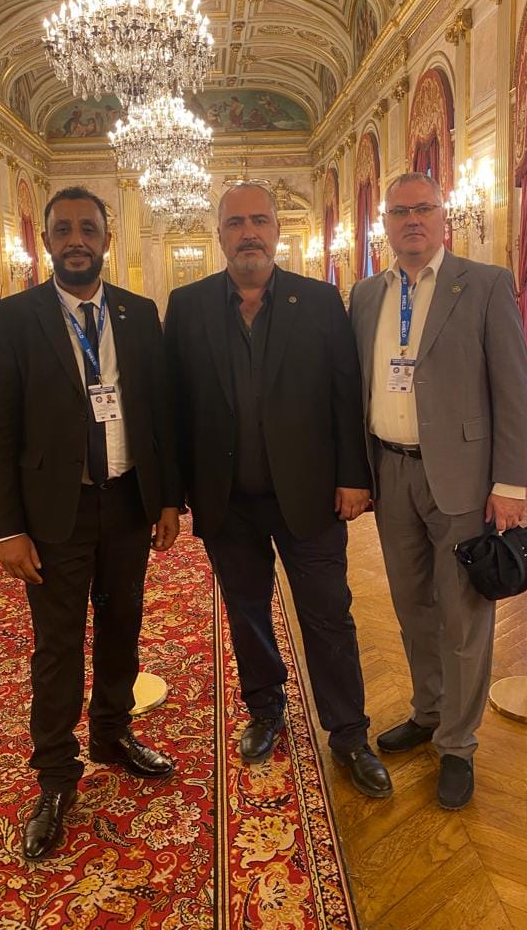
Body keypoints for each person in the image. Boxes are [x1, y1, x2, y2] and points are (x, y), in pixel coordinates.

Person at [164, 181, 392, 799]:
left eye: (259, 221)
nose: (249, 233)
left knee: (328, 615)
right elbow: (173, 406)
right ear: (219, 234)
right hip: (226, 499)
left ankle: (349, 734)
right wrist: (173, 494)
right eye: (236, 223)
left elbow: (344, 392)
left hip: (311, 496)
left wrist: (354, 476)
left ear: (277, 230)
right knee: (246, 611)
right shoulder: (187, 306)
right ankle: (266, 709)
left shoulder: (318, 300)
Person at [0, 186, 180, 862]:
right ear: (46, 242)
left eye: (87, 229)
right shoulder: (13, 318)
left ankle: (112, 732)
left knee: (123, 623)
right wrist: (8, 527)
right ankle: (56, 778)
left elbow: (157, 413)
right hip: (54, 512)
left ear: (106, 240)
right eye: (63, 229)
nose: (76, 240)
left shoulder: (138, 313)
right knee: (58, 645)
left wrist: (166, 499)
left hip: (127, 503)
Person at [348, 172, 527, 810]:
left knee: (463, 614)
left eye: (423, 208)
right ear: (384, 224)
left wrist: (509, 483)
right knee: (411, 605)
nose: (412, 220)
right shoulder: (366, 294)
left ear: (442, 215)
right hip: (390, 472)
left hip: (462, 479)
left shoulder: (483, 284)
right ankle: (429, 711)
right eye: (399, 211)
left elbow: (513, 391)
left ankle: (458, 743)